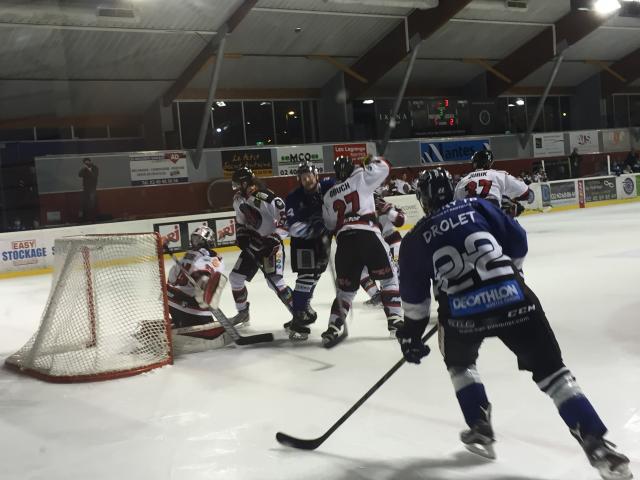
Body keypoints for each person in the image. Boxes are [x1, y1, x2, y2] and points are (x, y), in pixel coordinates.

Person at [396, 168, 632, 480]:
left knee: (460, 364)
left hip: (463, 315)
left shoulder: (413, 240)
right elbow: (517, 239)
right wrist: (512, 274)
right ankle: (597, 445)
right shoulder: (478, 207)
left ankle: (479, 425)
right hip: (515, 299)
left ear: (422, 200)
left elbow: (415, 304)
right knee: (554, 374)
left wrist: (411, 335)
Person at [320, 155, 403, 348]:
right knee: (389, 278)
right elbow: (385, 167)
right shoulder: (360, 177)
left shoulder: (329, 195)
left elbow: (329, 224)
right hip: (368, 234)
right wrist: (371, 159)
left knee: (345, 291)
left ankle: (333, 327)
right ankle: (395, 321)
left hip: (344, 242)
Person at [229, 166, 293, 325]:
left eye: (238, 183)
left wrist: (275, 237)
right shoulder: (238, 199)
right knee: (235, 278)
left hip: (272, 246)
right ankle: (243, 313)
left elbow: (285, 220)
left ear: (245, 183)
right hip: (254, 244)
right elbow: (241, 221)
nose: (235, 187)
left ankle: (299, 312)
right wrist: (242, 235)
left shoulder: (266, 197)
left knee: (275, 282)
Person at [284, 161, 335, 340]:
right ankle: (298, 320)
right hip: (303, 243)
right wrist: (313, 229)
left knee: (315, 276)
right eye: (303, 177)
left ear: (316, 175)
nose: (307, 179)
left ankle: (301, 308)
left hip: (323, 241)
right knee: (305, 278)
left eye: (309, 175)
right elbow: (292, 226)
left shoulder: (329, 186)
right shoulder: (294, 197)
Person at [165, 226, 228, 339]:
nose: (196, 243)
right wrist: (202, 279)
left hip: (169, 300)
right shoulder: (210, 258)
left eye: (198, 240)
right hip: (188, 306)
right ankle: (183, 326)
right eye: (195, 239)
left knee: (184, 320)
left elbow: (171, 278)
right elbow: (205, 274)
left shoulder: (187, 255)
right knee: (209, 332)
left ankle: (179, 323)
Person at [454, 150, 531, 218]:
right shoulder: (499, 175)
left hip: (471, 221)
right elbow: (525, 192)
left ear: (474, 163)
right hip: (493, 218)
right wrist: (509, 200)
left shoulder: (462, 181)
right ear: (489, 163)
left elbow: (456, 206)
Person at [361, 193, 406, 307]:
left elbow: (401, 221)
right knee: (360, 270)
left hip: (391, 242)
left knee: (394, 271)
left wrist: (388, 209)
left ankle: (395, 293)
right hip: (378, 245)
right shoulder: (364, 213)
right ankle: (378, 296)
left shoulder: (384, 208)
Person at [78, 157, 99, 222]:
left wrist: (88, 170)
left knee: (92, 203)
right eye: (85, 163)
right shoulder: (84, 169)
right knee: (85, 203)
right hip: (85, 188)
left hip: (92, 188)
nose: (86, 164)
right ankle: (85, 219)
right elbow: (79, 175)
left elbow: (94, 176)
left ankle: (93, 219)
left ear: (90, 161)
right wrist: (83, 168)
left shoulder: (95, 168)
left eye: (87, 162)